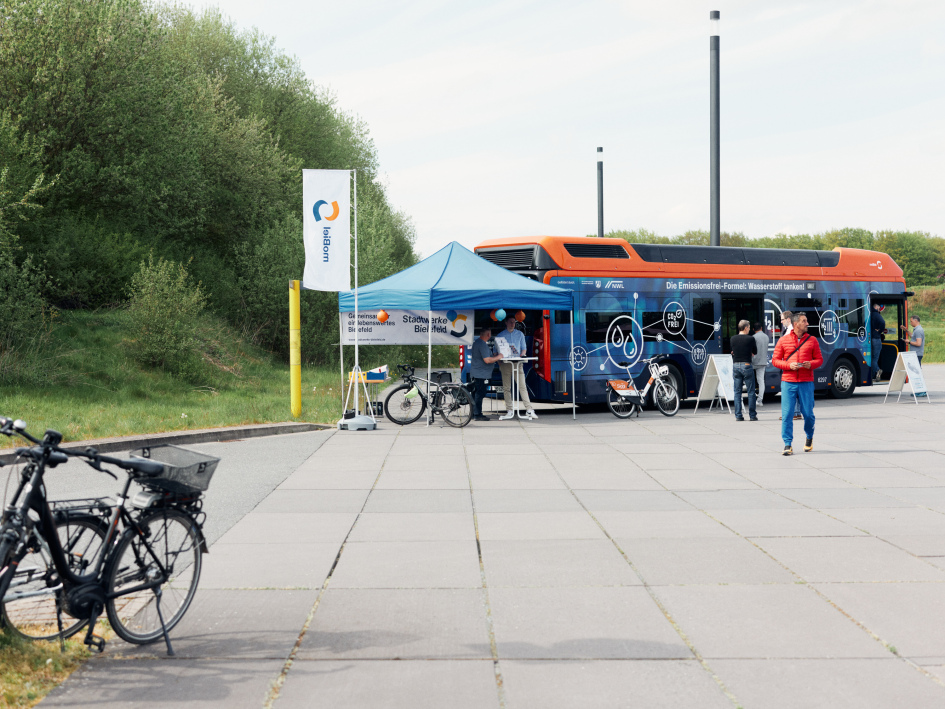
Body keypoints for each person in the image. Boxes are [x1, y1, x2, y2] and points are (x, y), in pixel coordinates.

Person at [773, 312, 823, 455]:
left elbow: (819, 359)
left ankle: (809, 437)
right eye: (804, 321)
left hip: (806, 382)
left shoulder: (812, 340)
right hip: (788, 382)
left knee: (808, 414)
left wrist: (810, 364)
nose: (807, 323)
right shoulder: (783, 341)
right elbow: (775, 360)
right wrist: (789, 365)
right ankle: (787, 444)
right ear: (796, 324)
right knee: (787, 414)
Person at [496, 316, 538, 420]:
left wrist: (522, 356)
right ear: (506, 323)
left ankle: (529, 409)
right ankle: (509, 410)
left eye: (514, 322)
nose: (512, 324)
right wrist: (500, 363)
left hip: (517, 363)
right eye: (510, 322)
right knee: (506, 387)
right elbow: (495, 351)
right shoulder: (500, 335)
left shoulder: (520, 334)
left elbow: (524, 349)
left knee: (522, 386)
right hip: (506, 363)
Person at [469, 326, 503, 422]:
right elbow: (487, 360)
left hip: (478, 373)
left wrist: (494, 356)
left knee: (476, 393)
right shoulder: (482, 344)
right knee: (480, 394)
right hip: (481, 374)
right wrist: (499, 357)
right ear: (488, 334)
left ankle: (473, 413)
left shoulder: (477, 343)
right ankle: (477, 414)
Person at [730, 319, 758, 421]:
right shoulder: (750, 339)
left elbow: (732, 351)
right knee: (751, 392)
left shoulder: (733, 338)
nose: (749, 329)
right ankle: (752, 415)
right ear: (745, 328)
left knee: (737, 392)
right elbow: (755, 351)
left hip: (736, 365)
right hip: (747, 365)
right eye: (749, 327)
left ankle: (738, 415)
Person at [780, 311, 802, 421]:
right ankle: (796, 412)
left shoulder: (791, 331)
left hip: (790, 362)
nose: (781, 321)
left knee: (790, 388)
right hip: (791, 361)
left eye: (782, 319)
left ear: (788, 319)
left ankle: (793, 413)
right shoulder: (790, 330)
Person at [752, 321, 769, 407]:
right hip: (763, 361)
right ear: (761, 328)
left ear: (753, 329)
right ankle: (760, 400)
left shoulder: (753, 337)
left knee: (750, 380)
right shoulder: (766, 337)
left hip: (753, 362)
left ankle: (752, 398)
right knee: (761, 381)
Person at [869, 302, 886, 380]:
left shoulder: (869, 314)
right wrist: (879, 331)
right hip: (876, 339)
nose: (880, 309)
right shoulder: (876, 314)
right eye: (879, 307)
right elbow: (882, 322)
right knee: (875, 358)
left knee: (871, 358)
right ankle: (877, 370)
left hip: (870, 338)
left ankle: (872, 375)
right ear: (876, 307)